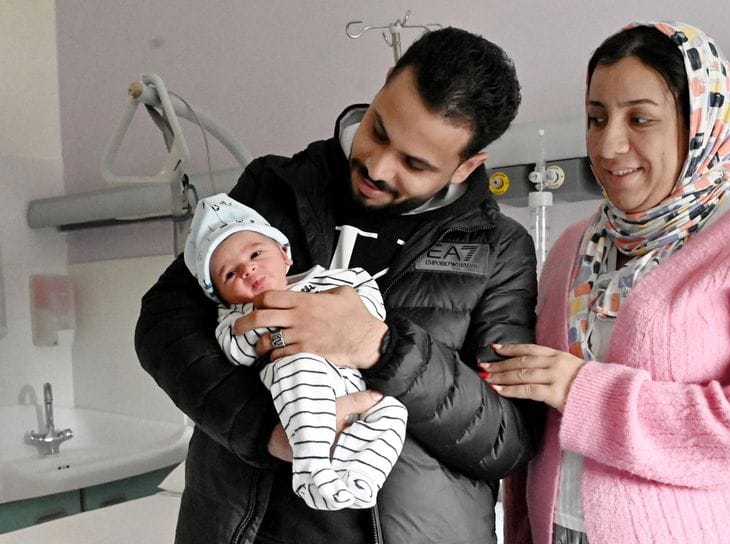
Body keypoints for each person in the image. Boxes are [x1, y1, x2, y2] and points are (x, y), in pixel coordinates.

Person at [135, 27, 542, 544]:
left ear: (467, 165)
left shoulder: (499, 250)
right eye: (378, 129)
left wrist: (381, 347)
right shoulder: (276, 189)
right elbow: (163, 320)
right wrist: (266, 432)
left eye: (414, 163)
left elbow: (507, 438)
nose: (376, 165)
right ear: (385, 83)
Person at [485, 21, 730, 544]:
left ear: (699, 125)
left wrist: (586, 392)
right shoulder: (573, 247)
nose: (609, 143)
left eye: (640, 119)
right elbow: (541, 424)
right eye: (597, 118)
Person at [183, 192, 407, 511]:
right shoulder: (235, 315)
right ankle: (312, 470)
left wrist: (336, 316)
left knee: (392, 411)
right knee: (300, 365)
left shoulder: (339, 280)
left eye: (256, 253)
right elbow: (238, 350)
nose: (247, 270)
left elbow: (372, 312)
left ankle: (361, 480)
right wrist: (265, 323)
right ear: (220, 296)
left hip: (354, 386)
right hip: (297, 386)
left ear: (285, 254)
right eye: (229, 274)